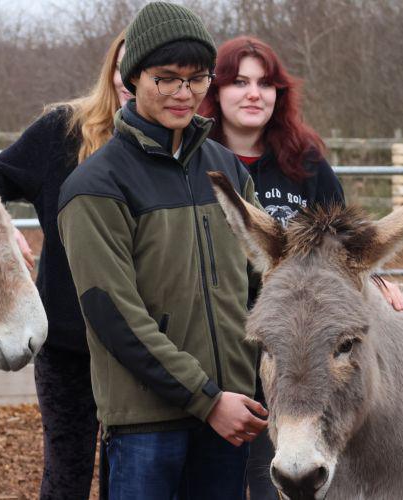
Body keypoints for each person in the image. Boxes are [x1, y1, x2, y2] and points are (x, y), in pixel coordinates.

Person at [57, 3, 268, 498]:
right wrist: (206, 398)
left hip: (230, 410)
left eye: (197, 79)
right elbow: (115, 315)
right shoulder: (95, 185)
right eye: (166, 78)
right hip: (147, 424)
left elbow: (265, 275)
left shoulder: (227, 171)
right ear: (132, 79)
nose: (183, 93)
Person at [198, 35, 403, 498]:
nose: (254, 93)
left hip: (293, 359)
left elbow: (347, 248)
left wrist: (377, 278)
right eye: (239, 82)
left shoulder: (305, 164)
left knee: (279, 478)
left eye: (265, 83)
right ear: (216, 92)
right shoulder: (194, 160)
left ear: (279, 94)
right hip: (213, 349)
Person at [0, 32, 131, 499]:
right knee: (66, 473)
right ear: (111, 69)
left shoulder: (171, 144)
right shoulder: (63, 131)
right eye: (122, 65)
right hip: (67, 342)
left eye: (140, 65)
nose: (128, 78)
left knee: (129, 476)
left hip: (141, 346)